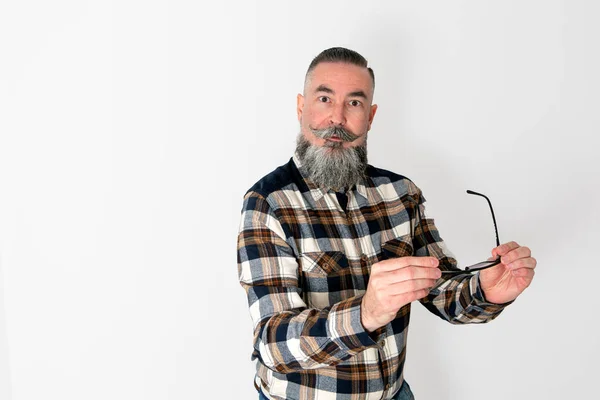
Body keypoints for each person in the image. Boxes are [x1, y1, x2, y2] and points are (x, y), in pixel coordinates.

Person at [236, 47, 536, 400]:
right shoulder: (267, 203)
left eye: (354, 103)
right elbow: (274, 344)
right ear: (302, 107)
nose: (336, 118)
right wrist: (366, 313)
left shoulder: (401, 193)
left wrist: (487, 290)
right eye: (324, 98)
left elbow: (443, 293)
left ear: (371, 115)